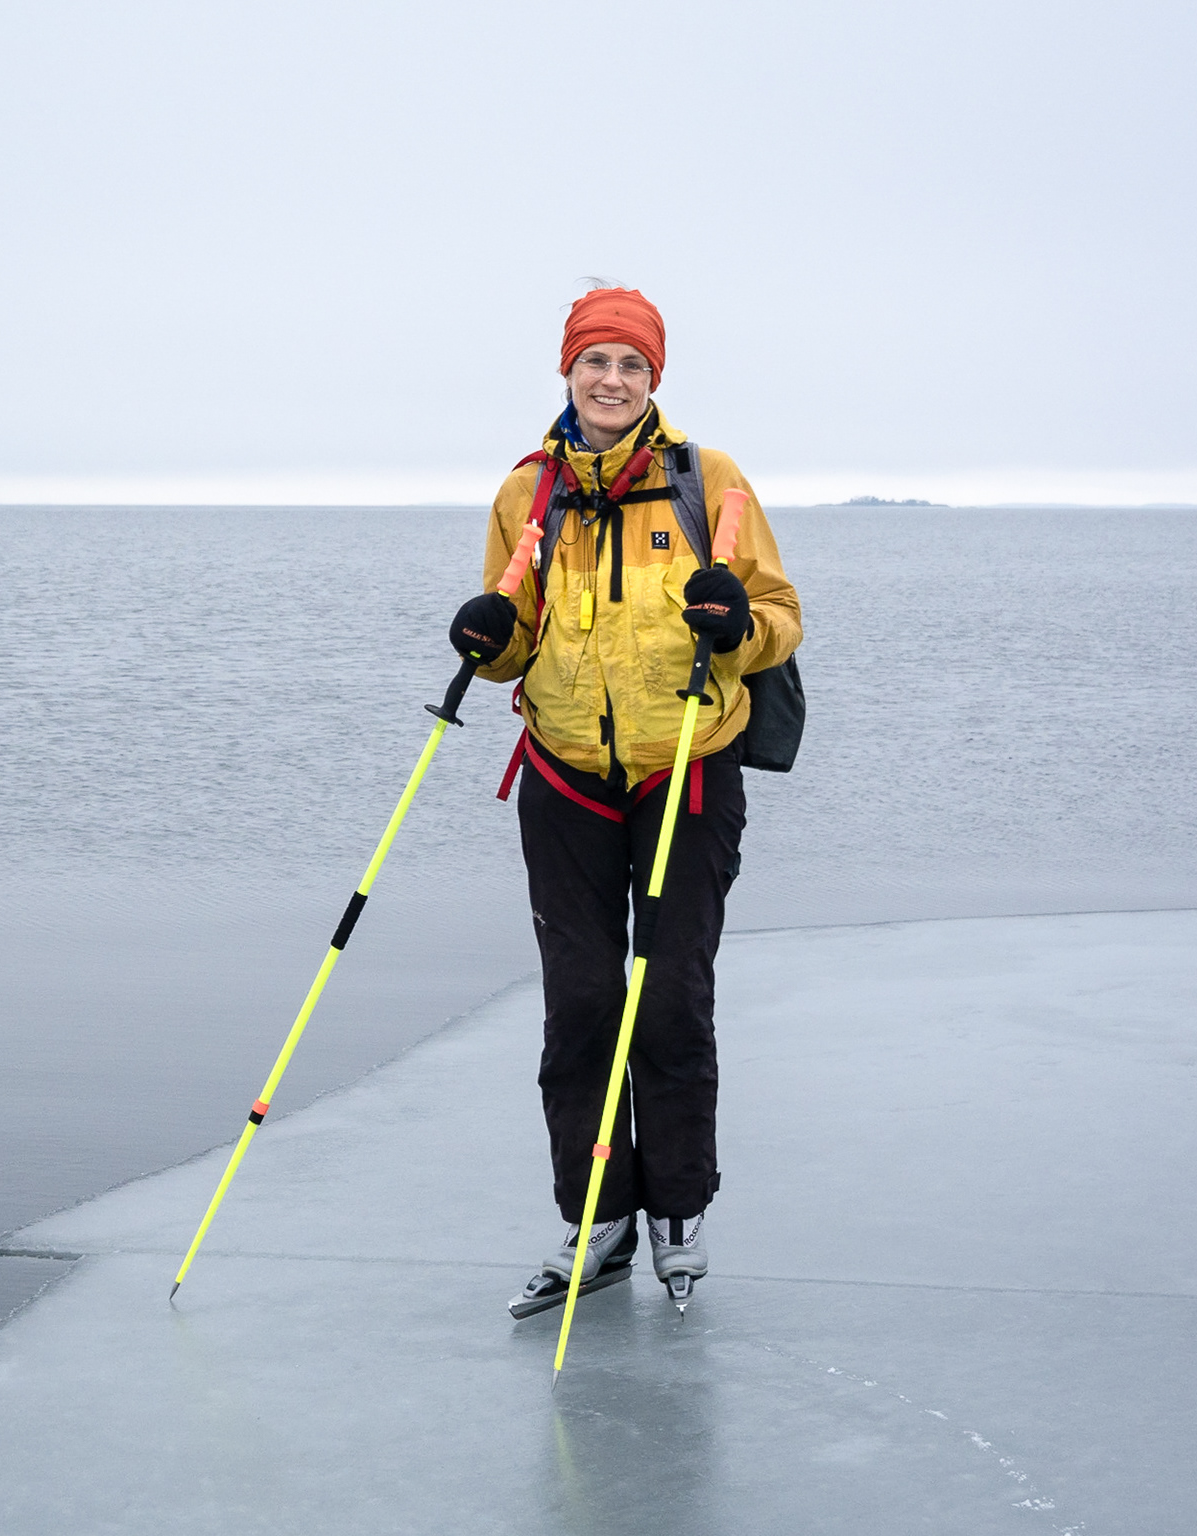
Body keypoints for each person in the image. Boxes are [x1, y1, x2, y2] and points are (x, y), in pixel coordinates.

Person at [447, 287, 802, 1317]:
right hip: (562, 774)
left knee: (672, 999)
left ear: (655, 380)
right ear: (568, 373)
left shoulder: (712, 482)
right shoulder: (528, 491)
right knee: (585, 1003)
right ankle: (596, 1223)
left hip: (686, 765)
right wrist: (488, 636)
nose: (611, 381)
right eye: (594, 362)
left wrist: (738, 623)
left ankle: (678, 1222)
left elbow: (778, 616)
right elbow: (517, 630)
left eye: (630, 366)